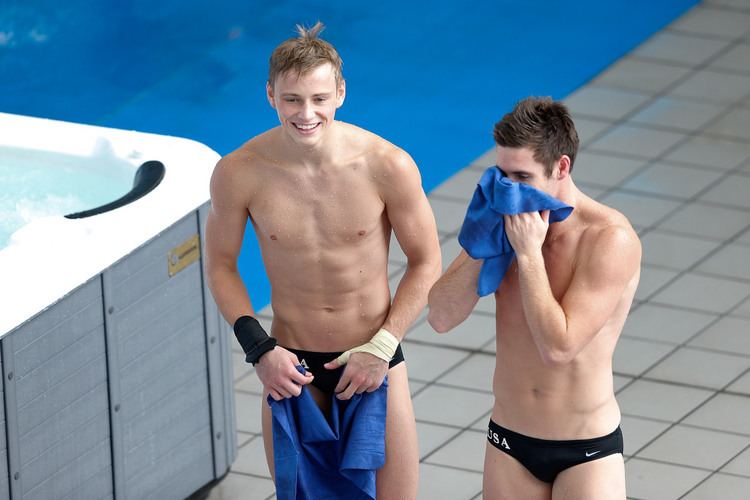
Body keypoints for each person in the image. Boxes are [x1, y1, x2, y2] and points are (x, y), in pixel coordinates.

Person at [204, 22, 441, 499]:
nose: (306, 113)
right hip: (291, 368)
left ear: (340, 93)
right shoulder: (240, 172)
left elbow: (426, 261)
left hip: (373, 358)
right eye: (292, 99)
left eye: (318, 98)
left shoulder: (386, 164)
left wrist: (383, 344)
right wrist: (259, 350)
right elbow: (222, 265)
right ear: (270, 94)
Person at [427, 96, 641, 499]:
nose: (508, 192)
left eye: (522, 178)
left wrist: (527, 254)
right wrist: (482, 245)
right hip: (509, 439)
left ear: (561, 167)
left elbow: (559, 348)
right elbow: (440, 316)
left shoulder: (609, 240)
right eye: (501, 176)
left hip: (585, 448)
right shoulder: (503, 221)